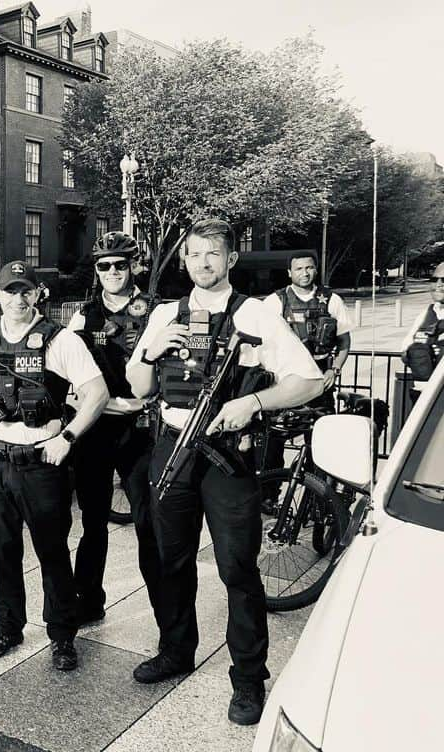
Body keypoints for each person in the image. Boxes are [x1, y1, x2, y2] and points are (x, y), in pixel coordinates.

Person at [125, 218, 323, 726]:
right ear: (184, 260)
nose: (203, 263)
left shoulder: (256, 314)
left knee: (237, 568)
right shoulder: (166, 312)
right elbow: (140, 386)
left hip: (227, 455)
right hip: (172, 448)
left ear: (230, 258)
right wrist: (150, 349)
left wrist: (254, 402)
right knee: (170, 561)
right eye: (193, 254)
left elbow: (308, 380)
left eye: (213, 253)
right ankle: (175, 651)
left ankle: (249, 678)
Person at [0, 261, 108, 671]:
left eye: (26, 290)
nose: (18, 299)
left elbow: (96, 393)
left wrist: (66, 438)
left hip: (40, 464)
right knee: (0, 551)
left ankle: (62, 635)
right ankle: (6, 627)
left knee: (51, 551)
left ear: (37, 294)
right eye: (10, 291)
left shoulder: (59, 341)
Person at [67, 232, 163, 633]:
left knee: (148, 523)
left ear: (134, 266)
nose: (111, 272)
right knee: (92, 521)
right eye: (103, 265)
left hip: (139, 427)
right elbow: (64, 368)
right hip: (97, 425)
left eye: (119, 264)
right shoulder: (83, 315)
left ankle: (168, 619)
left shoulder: (157, 311)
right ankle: (88, 601)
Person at [262, 251, 353, 399]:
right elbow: (263, 343)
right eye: (298, 269)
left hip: (321, 376)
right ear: (289, 273)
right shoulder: (275, 301)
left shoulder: (332, 300)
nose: (305, 273)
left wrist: (334, 370)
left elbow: (344, 340)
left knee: (322, 419)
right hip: (286, 377)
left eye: (309, 268)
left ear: (316, 269)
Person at [400, 261, 444, 390]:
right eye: (434, 280)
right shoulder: (427, 313)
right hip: (422, 396)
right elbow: (406, 350)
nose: (438, 285)